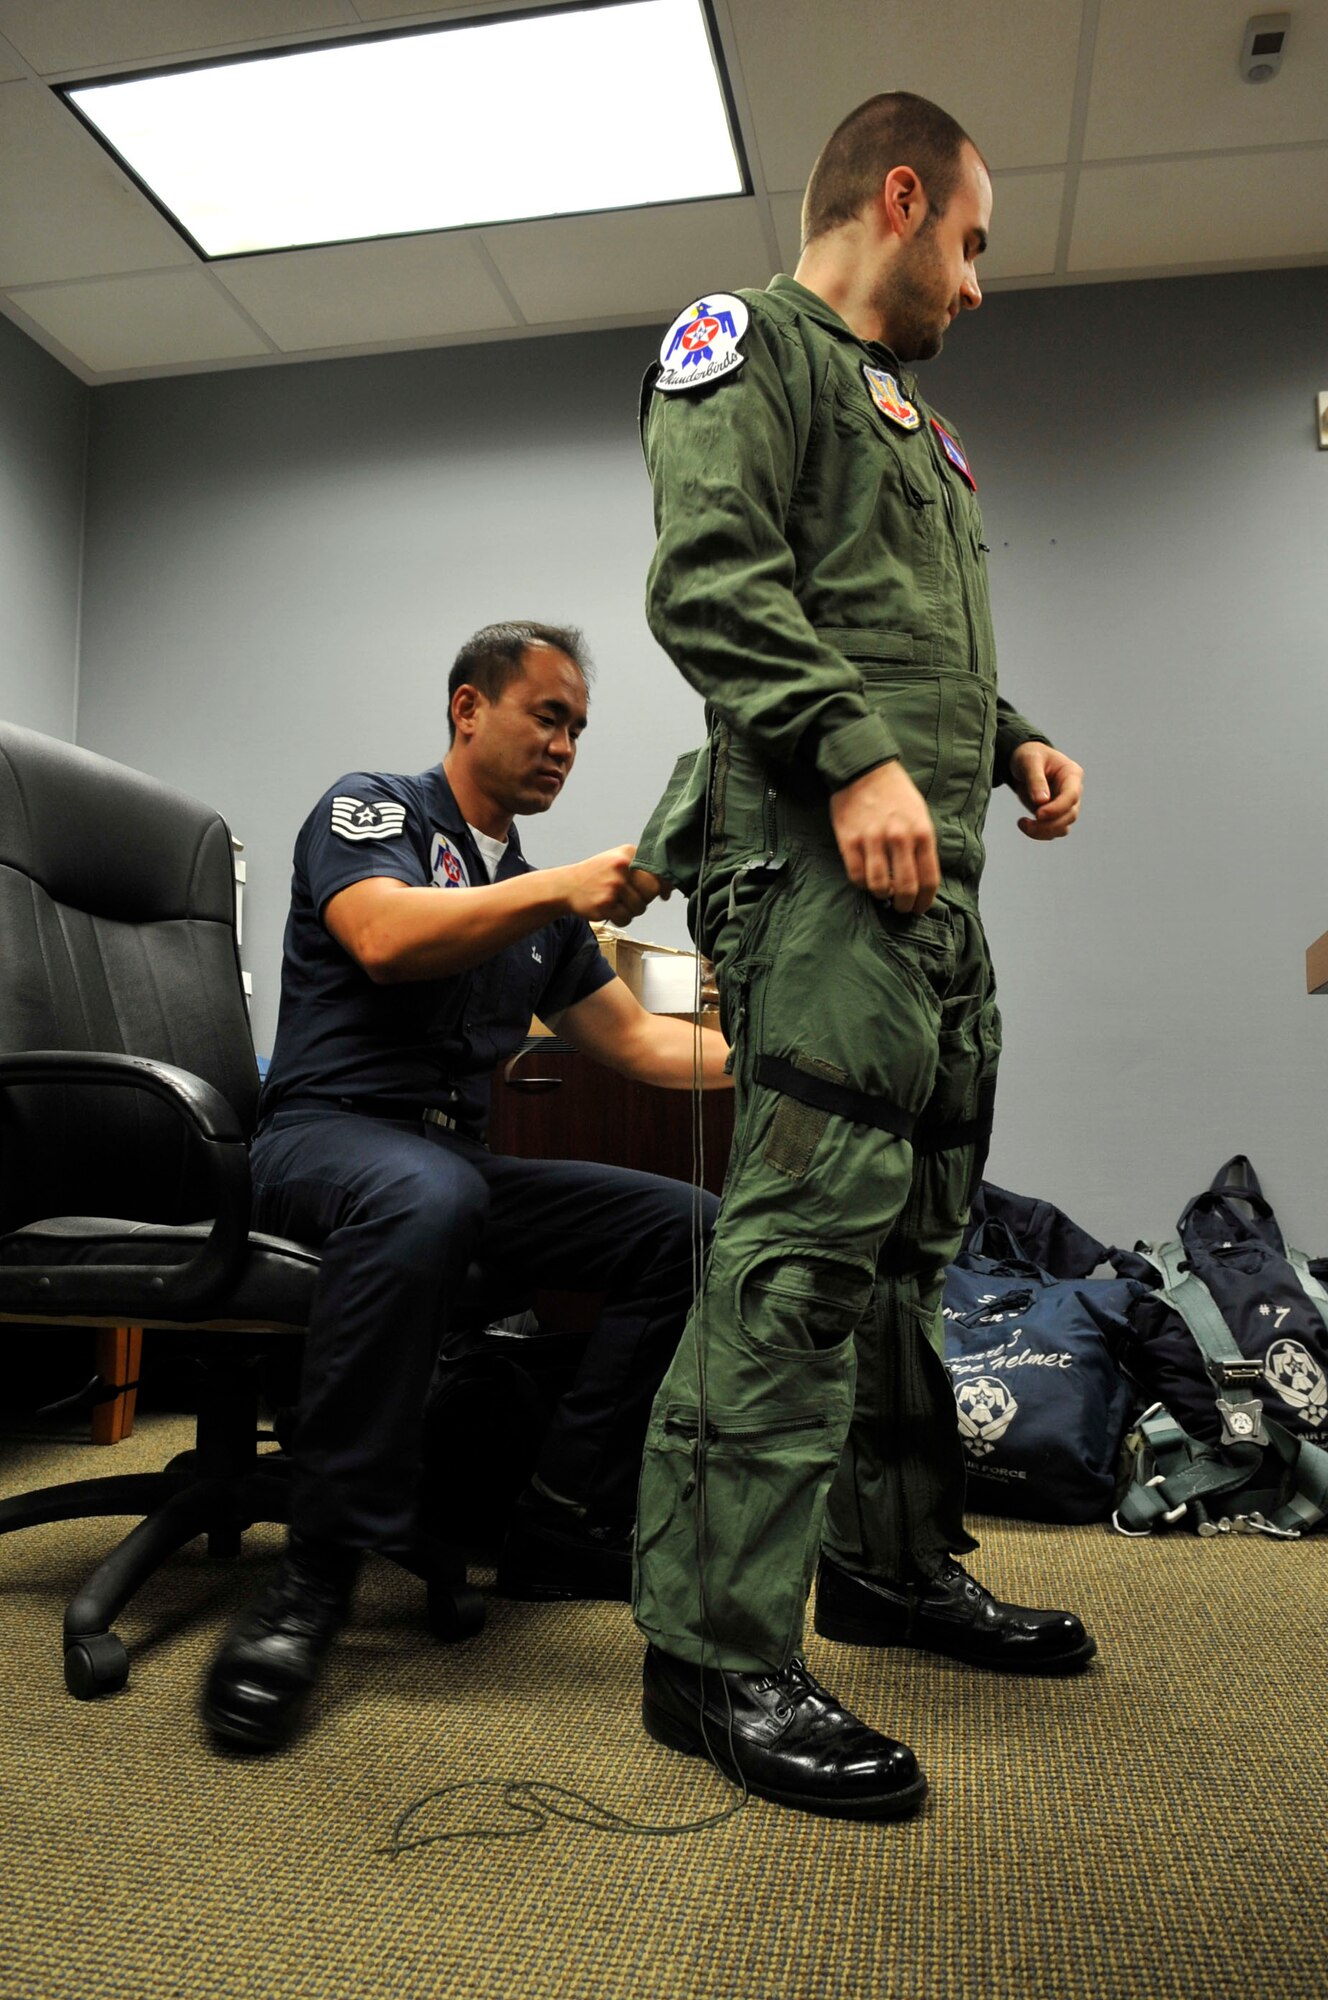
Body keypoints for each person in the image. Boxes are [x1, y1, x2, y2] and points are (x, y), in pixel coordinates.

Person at [627, 93, 1092, 1821]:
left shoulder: (919, 429)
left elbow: (893, 621)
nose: (973, 282)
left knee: (906, 1254)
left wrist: (1011, 732)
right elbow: (713, 576)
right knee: (801, 1257)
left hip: (929, 888)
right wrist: (850, 751)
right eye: (967, 240)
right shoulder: (750, 346)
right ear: (899, 197)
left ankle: (888, 1567)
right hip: (813, 866)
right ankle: (709, 1654)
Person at [202, 620, 728, 1751]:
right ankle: (314, 1576)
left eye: (578, 728)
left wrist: (794, 1058)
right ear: (466, 709)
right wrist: (563, 892)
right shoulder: (376, 810)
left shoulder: (533, 902)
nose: (565, 745)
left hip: (452, 1157)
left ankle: (557, 1516)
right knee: (424, 1197)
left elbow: (639, 1043)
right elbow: (385, 936)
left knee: (688, 1229)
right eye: (547, 715)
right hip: (323, 1136)